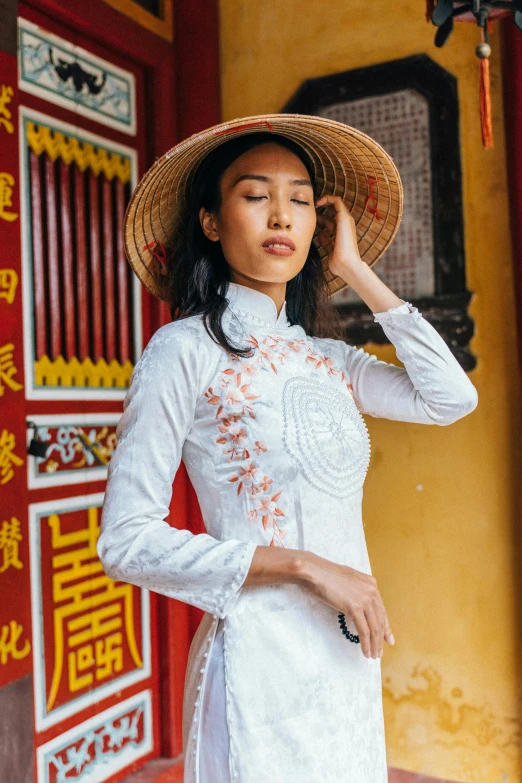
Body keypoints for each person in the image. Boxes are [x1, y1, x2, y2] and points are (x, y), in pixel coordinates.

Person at [97, 114, 479, 783]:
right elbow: (126, 541)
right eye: (255, 195)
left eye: (300, 200)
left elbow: (450, 398)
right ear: (212, 222)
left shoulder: (328, 358)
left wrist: (356, 268)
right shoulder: (184, 352)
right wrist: (306, 565)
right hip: (260, 659)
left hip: (344, 655)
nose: (281, 216)